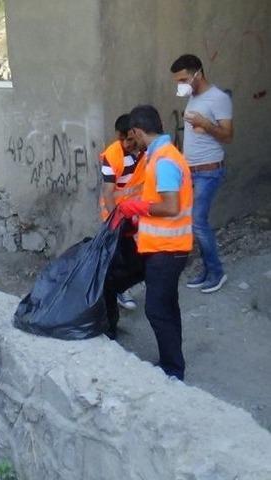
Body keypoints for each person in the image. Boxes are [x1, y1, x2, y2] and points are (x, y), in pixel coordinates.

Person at [112, 105, 193, 380]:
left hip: (167, 250)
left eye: (131, 136)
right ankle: (174, 364)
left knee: (158, 309)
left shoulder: (164, 161)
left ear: (136, 131)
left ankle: (172, 370)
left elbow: (170, 207)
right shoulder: (160, 155)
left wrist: (138, 208)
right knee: (166, 306)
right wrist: (139, 214)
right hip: (161, 247)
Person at [170, 54, 234, 293]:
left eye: (184, 79)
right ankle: (208, 270)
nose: (180, 85)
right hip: (192, 171)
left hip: (209, 171)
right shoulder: (195, 97)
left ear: (198, 73)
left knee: (198, 223)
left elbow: (228, 136)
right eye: (177, 81)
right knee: (195, 222)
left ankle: (217, 272)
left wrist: (206, 124)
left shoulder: (218, 98)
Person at [99, 113, 146, 311]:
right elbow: (108, 192)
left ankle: (126, 285)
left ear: (136, 134)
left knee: (139, 256)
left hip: (139, 214)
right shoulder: (112, 154)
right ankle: (119, 290)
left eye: (127, 139)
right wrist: (116, 220)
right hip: (116, 214)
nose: (123, 143)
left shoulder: (148, 151)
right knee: (120, 258)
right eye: (120, 139)